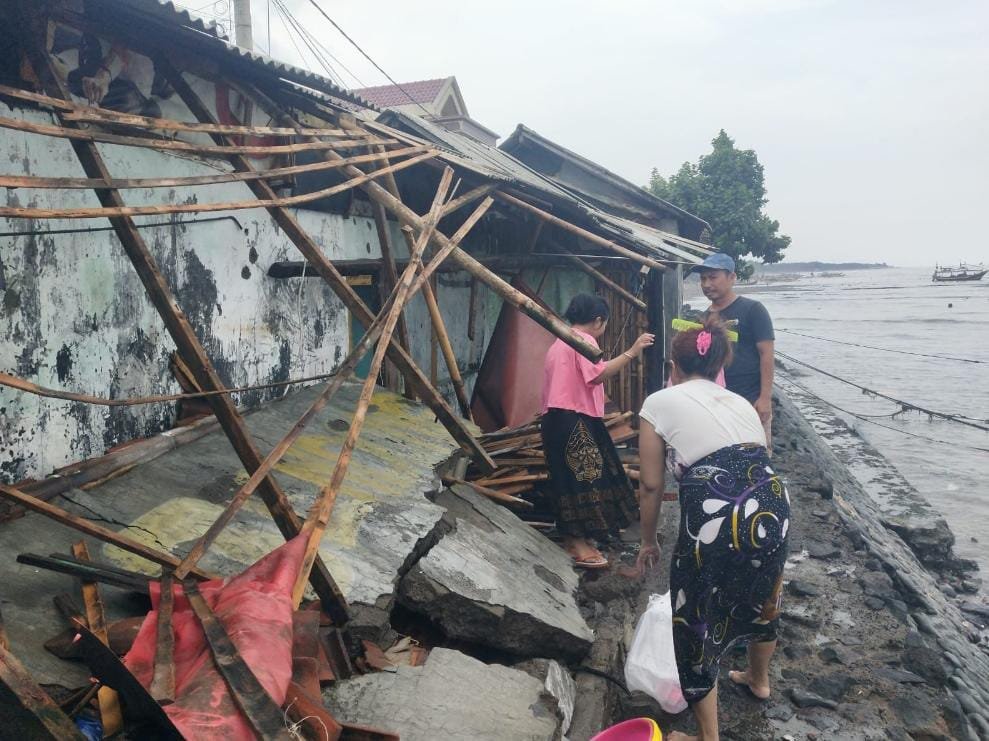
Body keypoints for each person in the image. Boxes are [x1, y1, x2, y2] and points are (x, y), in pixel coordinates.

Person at [636, 320, 790, 741]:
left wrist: (648, 541)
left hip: (718, 512)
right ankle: (758, 680)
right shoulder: (740, 402)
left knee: (696, 616)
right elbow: (757, 456)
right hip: (774, 501)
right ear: (720, 363)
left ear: (674, 365)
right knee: (764, 595)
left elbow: (650, 485)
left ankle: (708, 737)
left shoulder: (658, 402)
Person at [541, 294, 654, 569]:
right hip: (573, 419)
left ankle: (577, 539)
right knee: (586, 479)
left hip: (557, 419)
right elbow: (597, 374)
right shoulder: (583, 340)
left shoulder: (559, 341)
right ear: (599, 321)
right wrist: (632, 351)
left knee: (570, 480)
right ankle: (577, 543)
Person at [696, 253, 775, 450]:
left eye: (713, 277)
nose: (706, 284)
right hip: (715, 402)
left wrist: (765, 398)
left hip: (749, 399)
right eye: (703, 279)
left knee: (754, 458)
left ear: (732, 277)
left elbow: (767, 354)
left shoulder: (753, 310)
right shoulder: (705, 317)